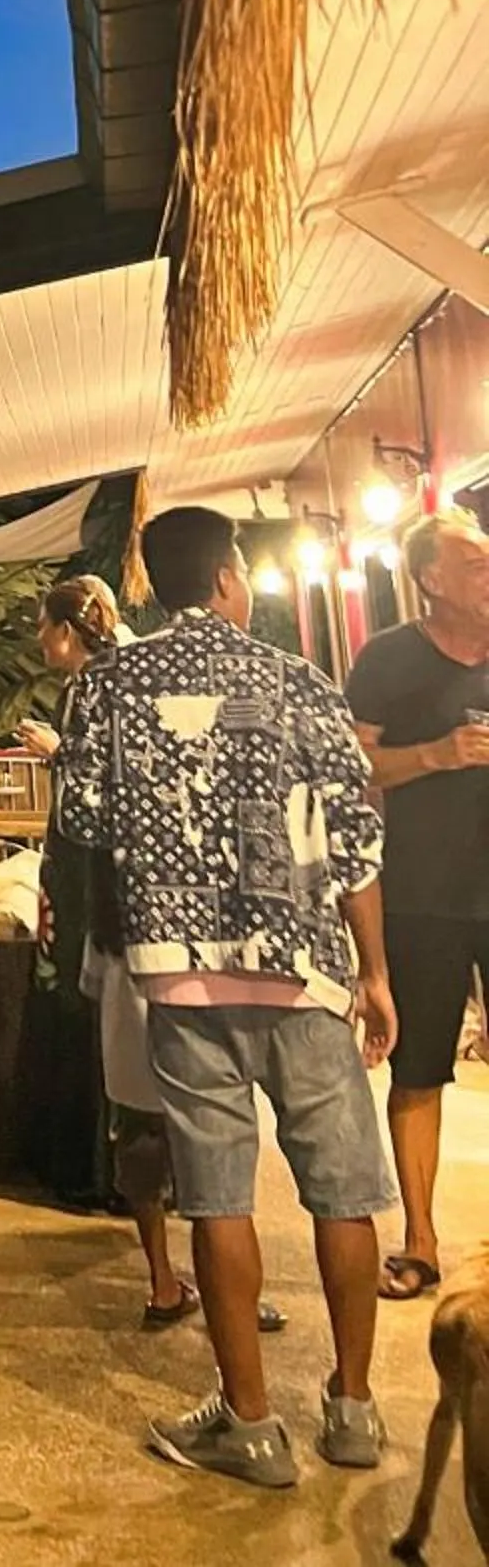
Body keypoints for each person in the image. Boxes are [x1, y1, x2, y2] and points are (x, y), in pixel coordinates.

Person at [57, 506, 395, 1491]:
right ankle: (354, 1409)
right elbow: (354, 840)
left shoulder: (109, 683)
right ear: (231, 578)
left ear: (160, 585)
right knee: (343, 1193)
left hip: (181, 970)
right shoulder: (299, 682)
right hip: (303, 966)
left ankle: (249, 1424)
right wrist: (374, 976)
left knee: (217, 1194)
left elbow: (79, 815)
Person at [27, 574, 288, 1334]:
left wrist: (65, 765)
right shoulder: (191, 689)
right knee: (207, 1112)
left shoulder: (96, 692)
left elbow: (81, 824)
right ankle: (204, 1279)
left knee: (151, 1114)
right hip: (191, 933)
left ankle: (173, 1277)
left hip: (132, 932)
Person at [344, 507, 489, 1301]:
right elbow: (352, 764)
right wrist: (436, 754)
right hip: (424, 897)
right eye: (474, 565)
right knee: (420, 1069)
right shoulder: (388, 660)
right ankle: (422, 1241)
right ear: (430, 580)